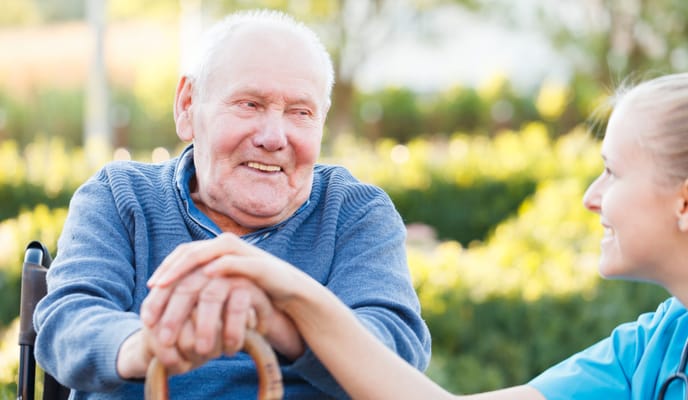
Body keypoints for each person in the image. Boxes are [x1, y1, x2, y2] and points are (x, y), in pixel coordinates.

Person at [150, 72, 688, 399]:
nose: (591, 196)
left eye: (612, 172)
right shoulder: (659, 343)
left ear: (684, 202)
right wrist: (288, 292)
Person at [33, 9, 431, 399]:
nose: (274, 137)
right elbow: (66, 323)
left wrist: (277, 321)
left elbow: (397, 356)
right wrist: (148, 344)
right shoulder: (120, 196)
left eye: (300, 113)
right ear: (188, 105)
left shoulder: (354, 212)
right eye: (250, 104)